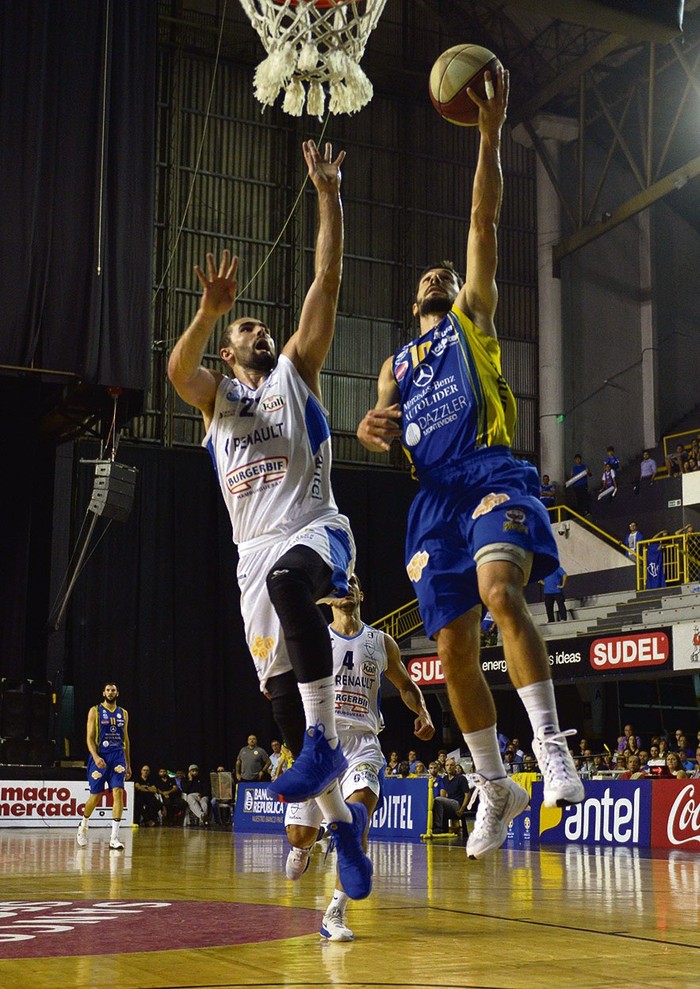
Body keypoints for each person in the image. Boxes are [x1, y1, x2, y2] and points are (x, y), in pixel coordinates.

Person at [355, 65, 583, 860]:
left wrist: (489, 133)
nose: (438, 276)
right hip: (432, 502)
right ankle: (496, 787)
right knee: (450, 651)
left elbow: (483, 218)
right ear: (411, 297)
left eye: (444, 275)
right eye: (430, 277)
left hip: (490, 473)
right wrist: (369, 428)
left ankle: (551, 746)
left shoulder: (471, 317)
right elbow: (377, 419)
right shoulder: (398, 361)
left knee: (500, 591)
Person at [167, 140, 372, 900]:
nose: (259, 331)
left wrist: (329, 194)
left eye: (258, 324)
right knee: (282, 708)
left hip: (314, 526)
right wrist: (207, 309)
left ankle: (323, 746)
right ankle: (342, 829)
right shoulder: (217, 399)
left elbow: (328, 277)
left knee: (296, 581)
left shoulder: (295, 370)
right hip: (249, 554)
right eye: (245, 327)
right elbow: (177, 372)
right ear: (229, 346)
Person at [283, 572, 434, 941]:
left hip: (363, 743)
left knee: (358, 817)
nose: (346, 589)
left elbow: (405, 684)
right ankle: (307, 844)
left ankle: (334, 912)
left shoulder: (381, 642)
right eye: (339, 585)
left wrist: (423, 711)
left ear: (360, 593)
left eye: (352, 583)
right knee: (300, 835)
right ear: (328, 598)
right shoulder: (316, 638)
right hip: (321, 743)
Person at [76, 682, 131, 850]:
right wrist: (95, 756)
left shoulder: (124, 713)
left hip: (118, 757)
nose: (110, 692)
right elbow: (89, 738)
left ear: (117, 693)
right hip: (100, 756)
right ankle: (83, 826)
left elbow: (126, 740)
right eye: (108, 690)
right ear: (103, 693)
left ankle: (114, 837)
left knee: (118, 792)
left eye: (113, 690)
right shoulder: (95, 711)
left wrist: (128, 763)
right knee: (96, 796)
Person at [432, 756, 470, 833]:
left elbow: (467, 794)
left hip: (457, 804)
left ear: (455, 767)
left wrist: (462, 809)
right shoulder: (444, 779)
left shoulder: (461, 778)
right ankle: (436, 828)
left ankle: (438, 827)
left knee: (438, 799)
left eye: (451, 765)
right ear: (445, 767)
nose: (449, 767)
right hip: (448, 803)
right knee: (434, 801)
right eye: (447, 765)